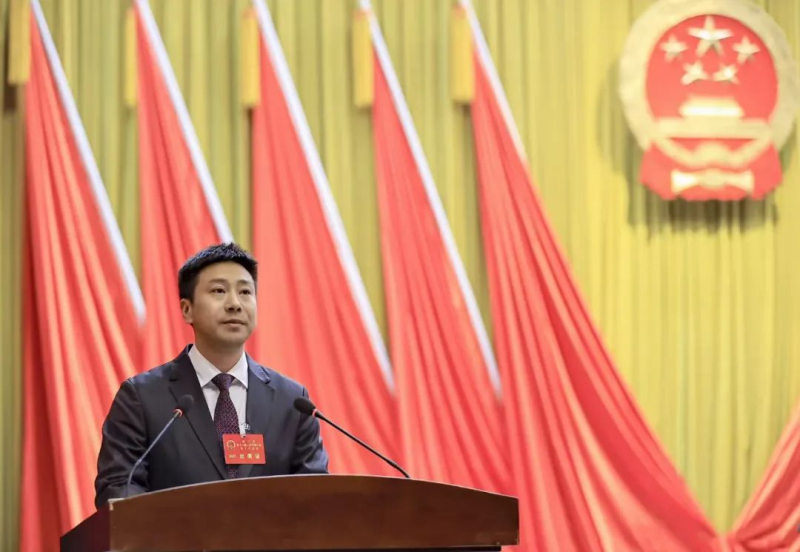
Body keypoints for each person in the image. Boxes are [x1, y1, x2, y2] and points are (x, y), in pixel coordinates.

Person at [95, 243, 328, 507]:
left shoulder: (292, 401)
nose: (235, 304)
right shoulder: (142, 398)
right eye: (219, 291)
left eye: (245, 292)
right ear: (187, 309)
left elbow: (316, 495)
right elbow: (119, 488)